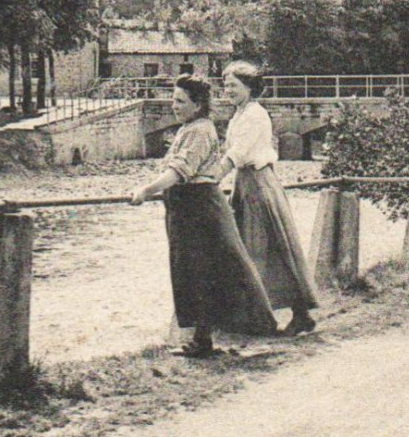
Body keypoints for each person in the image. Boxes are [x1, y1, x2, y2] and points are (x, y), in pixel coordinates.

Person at [129, 76, 278, 357]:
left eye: (180, 101)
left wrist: (145, 191)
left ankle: (210, 339)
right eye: (173, 100)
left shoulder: (200, 131)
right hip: (188, 207)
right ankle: (203, 338)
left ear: (198, 105)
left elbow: (179, 171)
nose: (174, 106)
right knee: (194, 272)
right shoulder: (190, 128)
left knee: (205, 271)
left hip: (200, 209)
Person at [206, 60, 320, 336]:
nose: (227, 90)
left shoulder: (255, 115)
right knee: (245, 248)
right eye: (225, 85)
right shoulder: (239, 114)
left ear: (248, 86)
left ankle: (296, 314)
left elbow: (238, 153)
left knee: (268, 248)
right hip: (245, 184)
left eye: (233, 85)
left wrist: (211, 180)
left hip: (258, 184)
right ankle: (252, 315)